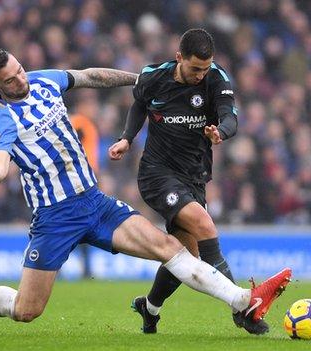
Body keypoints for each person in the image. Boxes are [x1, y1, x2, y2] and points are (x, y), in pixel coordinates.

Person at [0, 49, 292, 332]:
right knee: (26, 311)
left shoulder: (42, 80)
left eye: (19, 69)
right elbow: (1, 162)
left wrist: (143, 80)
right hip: (54, 218)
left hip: (93, 202)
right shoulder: (2, 118)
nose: (20, 79)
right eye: (10, 79)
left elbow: (90, 76)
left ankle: (243, 299)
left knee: (170, 247)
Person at [108, 28, 268, 335]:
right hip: (157, 174)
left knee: (184, 254)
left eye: (205, 68)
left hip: (194, 177)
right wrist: (127, 138)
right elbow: (139, 104)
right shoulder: (154, 76)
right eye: (195, 68)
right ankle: (241, 308)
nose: (200, 75)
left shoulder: (216, 78)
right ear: (179, 57)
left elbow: (230, 116)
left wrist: (221, 131)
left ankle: (149, 307)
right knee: (205, 224)